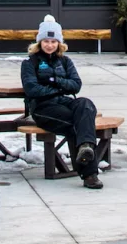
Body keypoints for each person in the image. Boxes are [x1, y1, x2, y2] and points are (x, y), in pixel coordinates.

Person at [21, 16, 103, 189]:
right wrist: (60, 88)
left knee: (85, 104)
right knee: (78, 124)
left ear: (59, 43)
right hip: (44, 108)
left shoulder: (65, 61)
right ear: (39, 42)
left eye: (53, 41)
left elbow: (76, 85)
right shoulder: (30, 63)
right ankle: (90, 175)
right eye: (46, 41)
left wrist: (54, 81)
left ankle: (85, 147)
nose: (49, 45)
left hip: (64, 102)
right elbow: (32, 90)